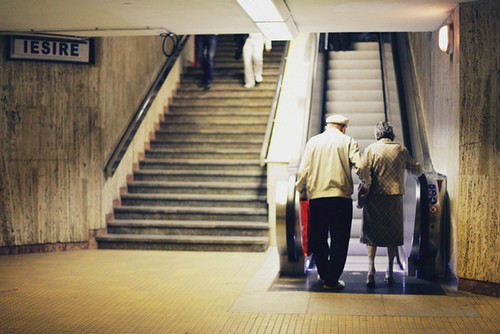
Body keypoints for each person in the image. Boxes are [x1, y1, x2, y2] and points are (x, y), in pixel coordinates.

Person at [296, 114, 366, 290]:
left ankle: (323, 272)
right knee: (339, 240)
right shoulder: (348, 140)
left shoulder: (313, 142)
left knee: (319, 237)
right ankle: (332, 279)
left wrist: (300, 189)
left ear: (327, 126)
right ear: (343, 128)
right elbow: (361, 166)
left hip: (317, 198)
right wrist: (367, 182)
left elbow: (303, 170)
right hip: (341, 199)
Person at [359, 121, 423, 288]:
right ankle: (390, 270)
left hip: (374, 197)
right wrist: (423, 170)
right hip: (394, 198)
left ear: (377, 134)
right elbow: (415, 168)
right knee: (392, 234)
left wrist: (365, 184)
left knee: (371, 234)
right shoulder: (401, 150)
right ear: (391, 134)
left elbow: (363, 170)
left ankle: (371, 270)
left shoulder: (371, 149)